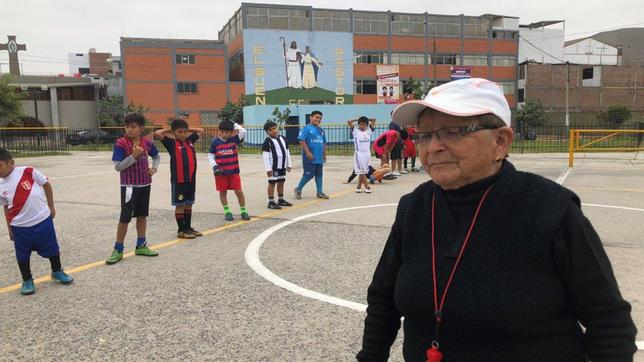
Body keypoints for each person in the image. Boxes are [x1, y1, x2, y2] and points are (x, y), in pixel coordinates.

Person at [357, 78, 637, 362]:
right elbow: (383, 302)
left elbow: (609, 323)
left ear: (501, 141)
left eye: (453, 131)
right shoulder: (414, 207)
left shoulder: (550, 209)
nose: (433, 147)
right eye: (425, 135)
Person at [0, 149, 74, 295]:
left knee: (52, 247)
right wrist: (9, 228)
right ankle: (27, 279)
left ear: (11, 163)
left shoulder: (28, 171)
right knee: (22, 254)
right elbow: (6, 207)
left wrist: (51, 206)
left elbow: (46, 184)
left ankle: (57, 270)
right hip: (20, 226)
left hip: (42, 219)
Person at [106, 113, 160, 265]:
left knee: (142, 215)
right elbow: (118, 166)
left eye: (133, 127)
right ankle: (118, 248)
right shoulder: (121, 143)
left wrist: (154, 169)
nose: (129, 129)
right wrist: (133, 157)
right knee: (125, 217)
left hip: (145, 184)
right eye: (127, 126)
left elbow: (157, 156)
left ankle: (141, 245)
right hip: (129, 186)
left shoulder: (146, 143)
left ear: (141, 128)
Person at [154, 119, 204, 239]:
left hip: (191, 179)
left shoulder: (189, 141)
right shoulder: (171, 143)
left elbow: (201, 131)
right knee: (180, 205)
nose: (182, 134)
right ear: (173, 132)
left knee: (189, 204)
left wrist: (187, 128)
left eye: (184, 132)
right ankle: (181, 230)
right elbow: (157, 134)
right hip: (179, 180)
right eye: (179, 132)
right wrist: (170, 130)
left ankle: (188, 227)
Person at [208, 120, 250, 221]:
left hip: (234, 171)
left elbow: (244, 132)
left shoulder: (234, 140)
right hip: (221, 173)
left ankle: (243, 211)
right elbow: (210, 156)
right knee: (223, 192)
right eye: (222, 132)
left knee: (239, 191)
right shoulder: (215, 142)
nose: (224, 134)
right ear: (219, 131)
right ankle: (227, 211)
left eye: (227, 132)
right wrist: (214, 166)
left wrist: (233, 124)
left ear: (231, 132)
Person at [294, 111, 329, 200]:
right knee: (308, 175)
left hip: (319, 157)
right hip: (309, 157)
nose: (318, 119)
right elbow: (301, 140)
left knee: (319, 174)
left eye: (320, 118)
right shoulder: (306, 128)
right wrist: (308, 152)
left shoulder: (321, 131)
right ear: (311, 117)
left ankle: (319, 192)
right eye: (316, 117)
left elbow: (324, 143)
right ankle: (298, 189)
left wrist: (324, 154)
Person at [261, 121, 293, 209]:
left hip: (282, 166)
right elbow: (265, 156)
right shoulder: (267, 142)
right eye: (270, 130)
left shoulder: (283, 138)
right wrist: (268, 169)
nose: (273, 131)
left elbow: (287, 152)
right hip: (273, 167)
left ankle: (281, 199)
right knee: (272, 183)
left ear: (277, 128)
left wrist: (289, 164)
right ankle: (271, 202)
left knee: (281, 181)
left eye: (274, 128)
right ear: (267, 132)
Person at [348, 116, 376, 193]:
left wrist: (366, 119)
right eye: (361, 124)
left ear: (367, 125)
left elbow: (374, 119)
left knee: (363, 170)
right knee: (362, 171)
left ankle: (358, 186)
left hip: (367, 154)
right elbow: (349, 121)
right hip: (359, 154)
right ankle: (367, 186)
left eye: (364, 124)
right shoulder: (355, 131)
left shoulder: (369, 131)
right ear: (358, 124)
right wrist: (357, 119)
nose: (362, 126)